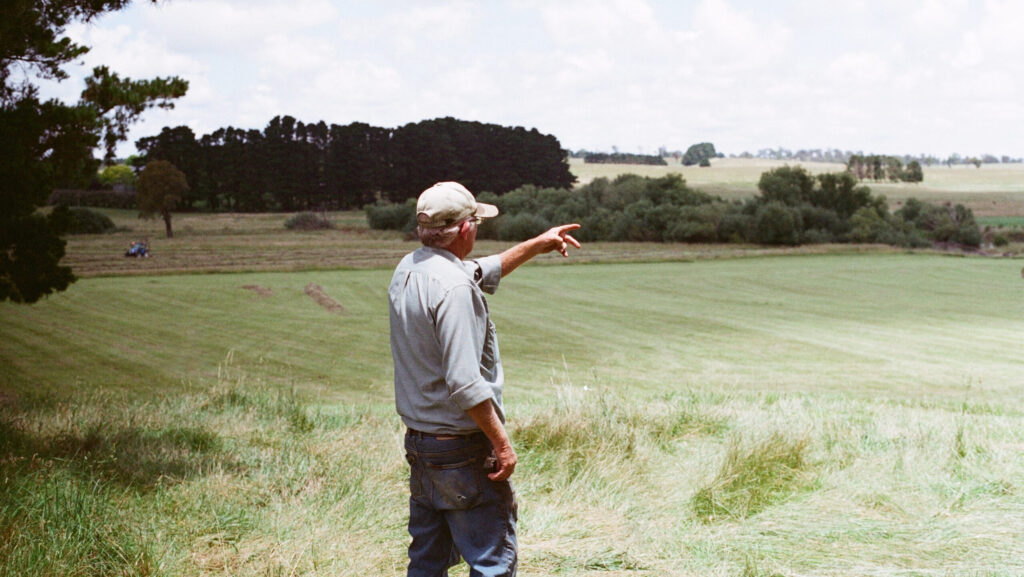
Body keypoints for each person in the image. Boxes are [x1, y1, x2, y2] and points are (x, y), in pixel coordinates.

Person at [389, 181, 580, 576]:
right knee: (492, 563)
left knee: (426, 561)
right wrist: (501, 444)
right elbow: (464, 383)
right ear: (464, 229)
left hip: (422, 445)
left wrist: (537, 244)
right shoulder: (455, 288)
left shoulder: (411, 268)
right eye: (475, 220)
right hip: (462, 451)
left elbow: (481, 269)